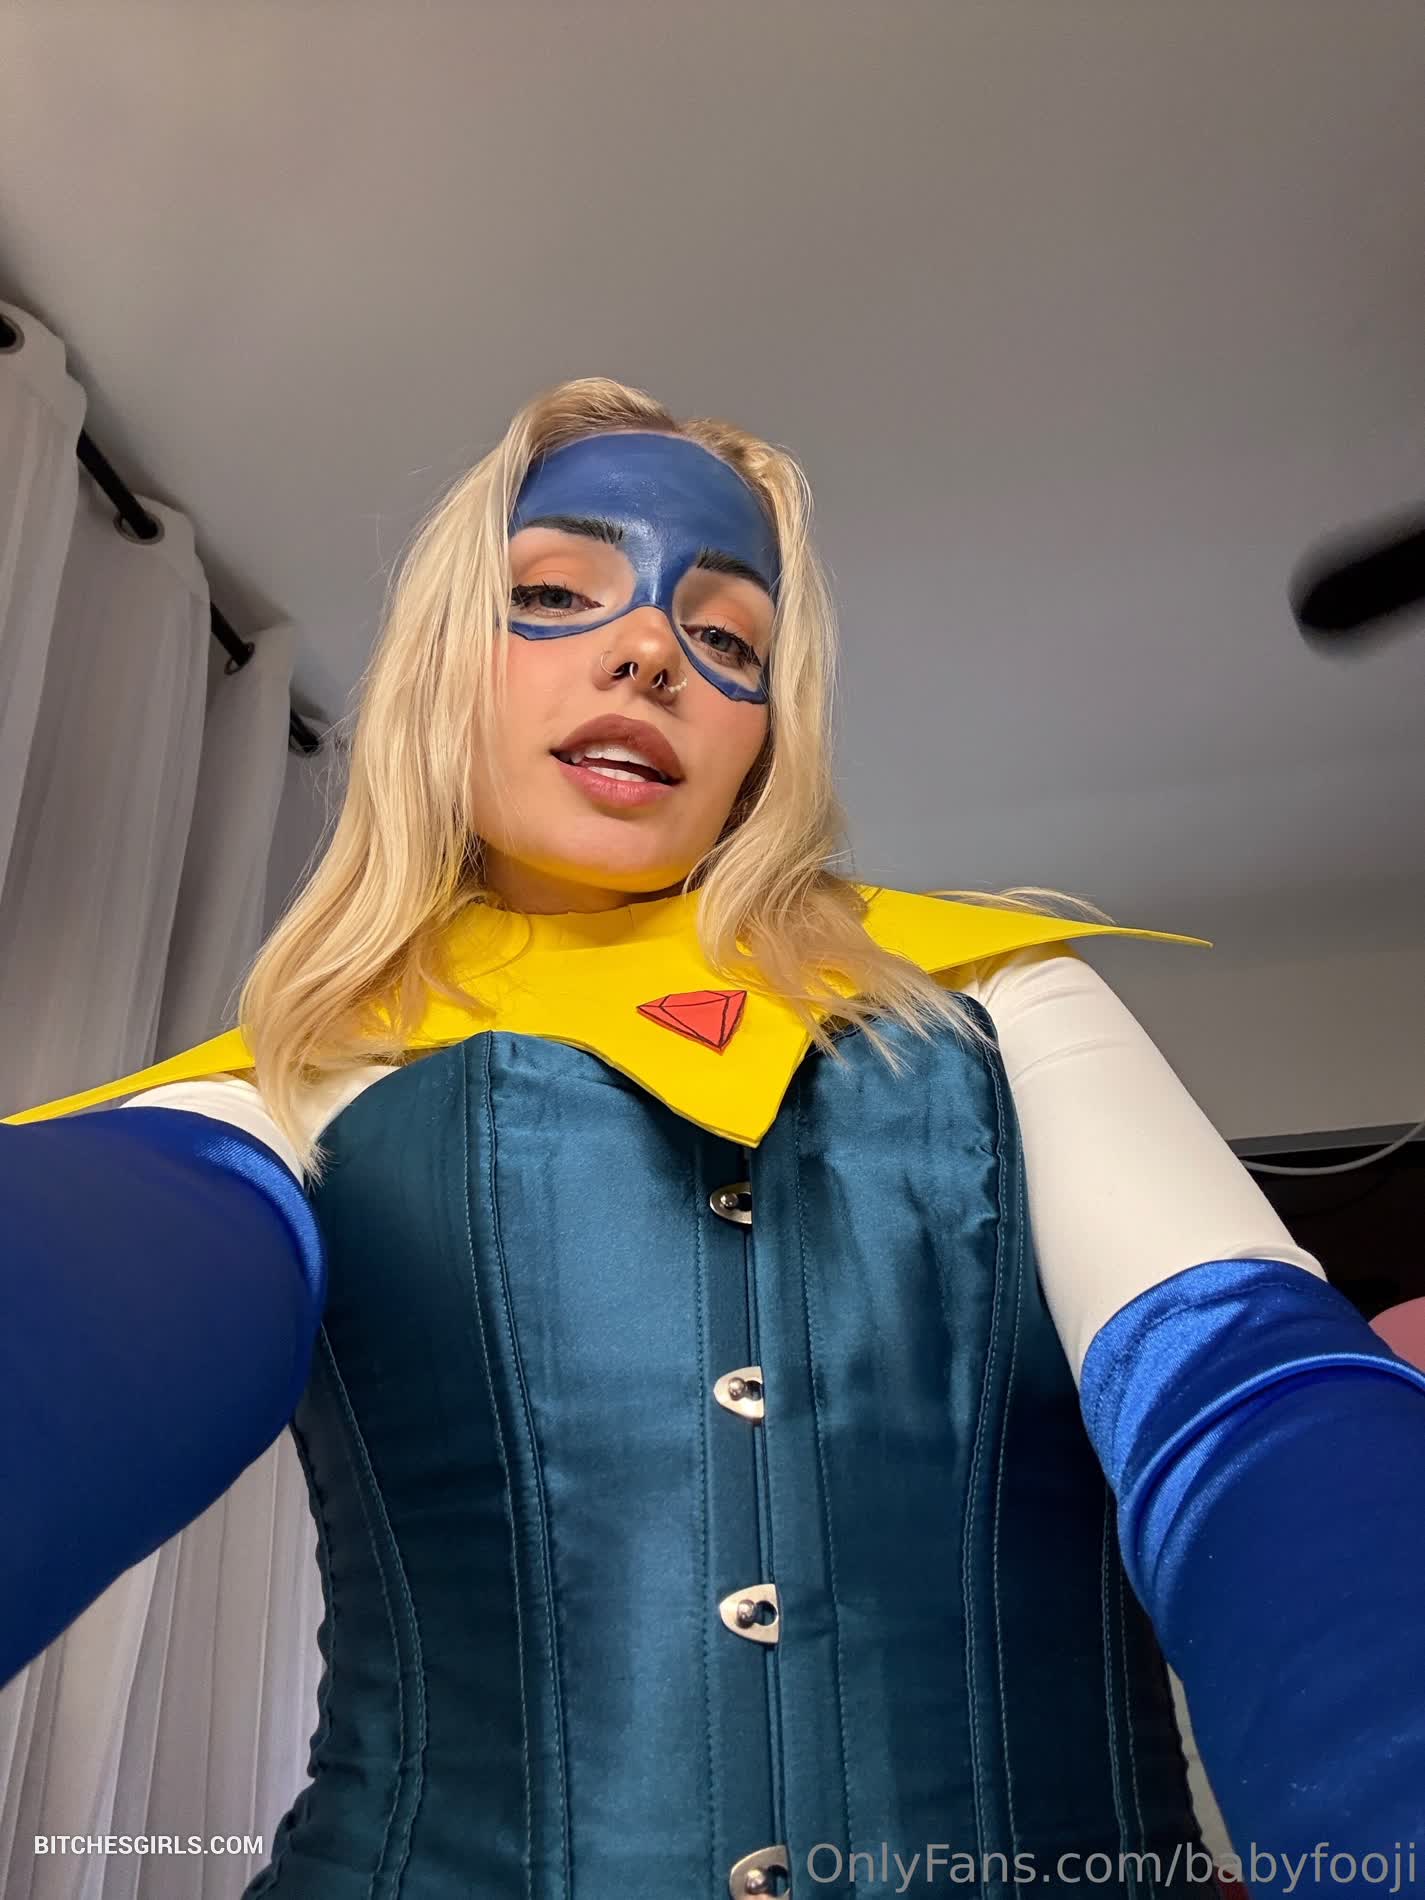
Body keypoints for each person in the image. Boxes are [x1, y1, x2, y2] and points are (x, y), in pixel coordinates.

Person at [5, 377, 1425, 1900]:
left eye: (728, 637)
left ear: (766, 731)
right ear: (442, 659)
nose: (647, 652)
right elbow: (111, 1285)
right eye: (557, 594)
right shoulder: (294, 1081)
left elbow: (1246, 1391)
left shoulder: (997, 1001)